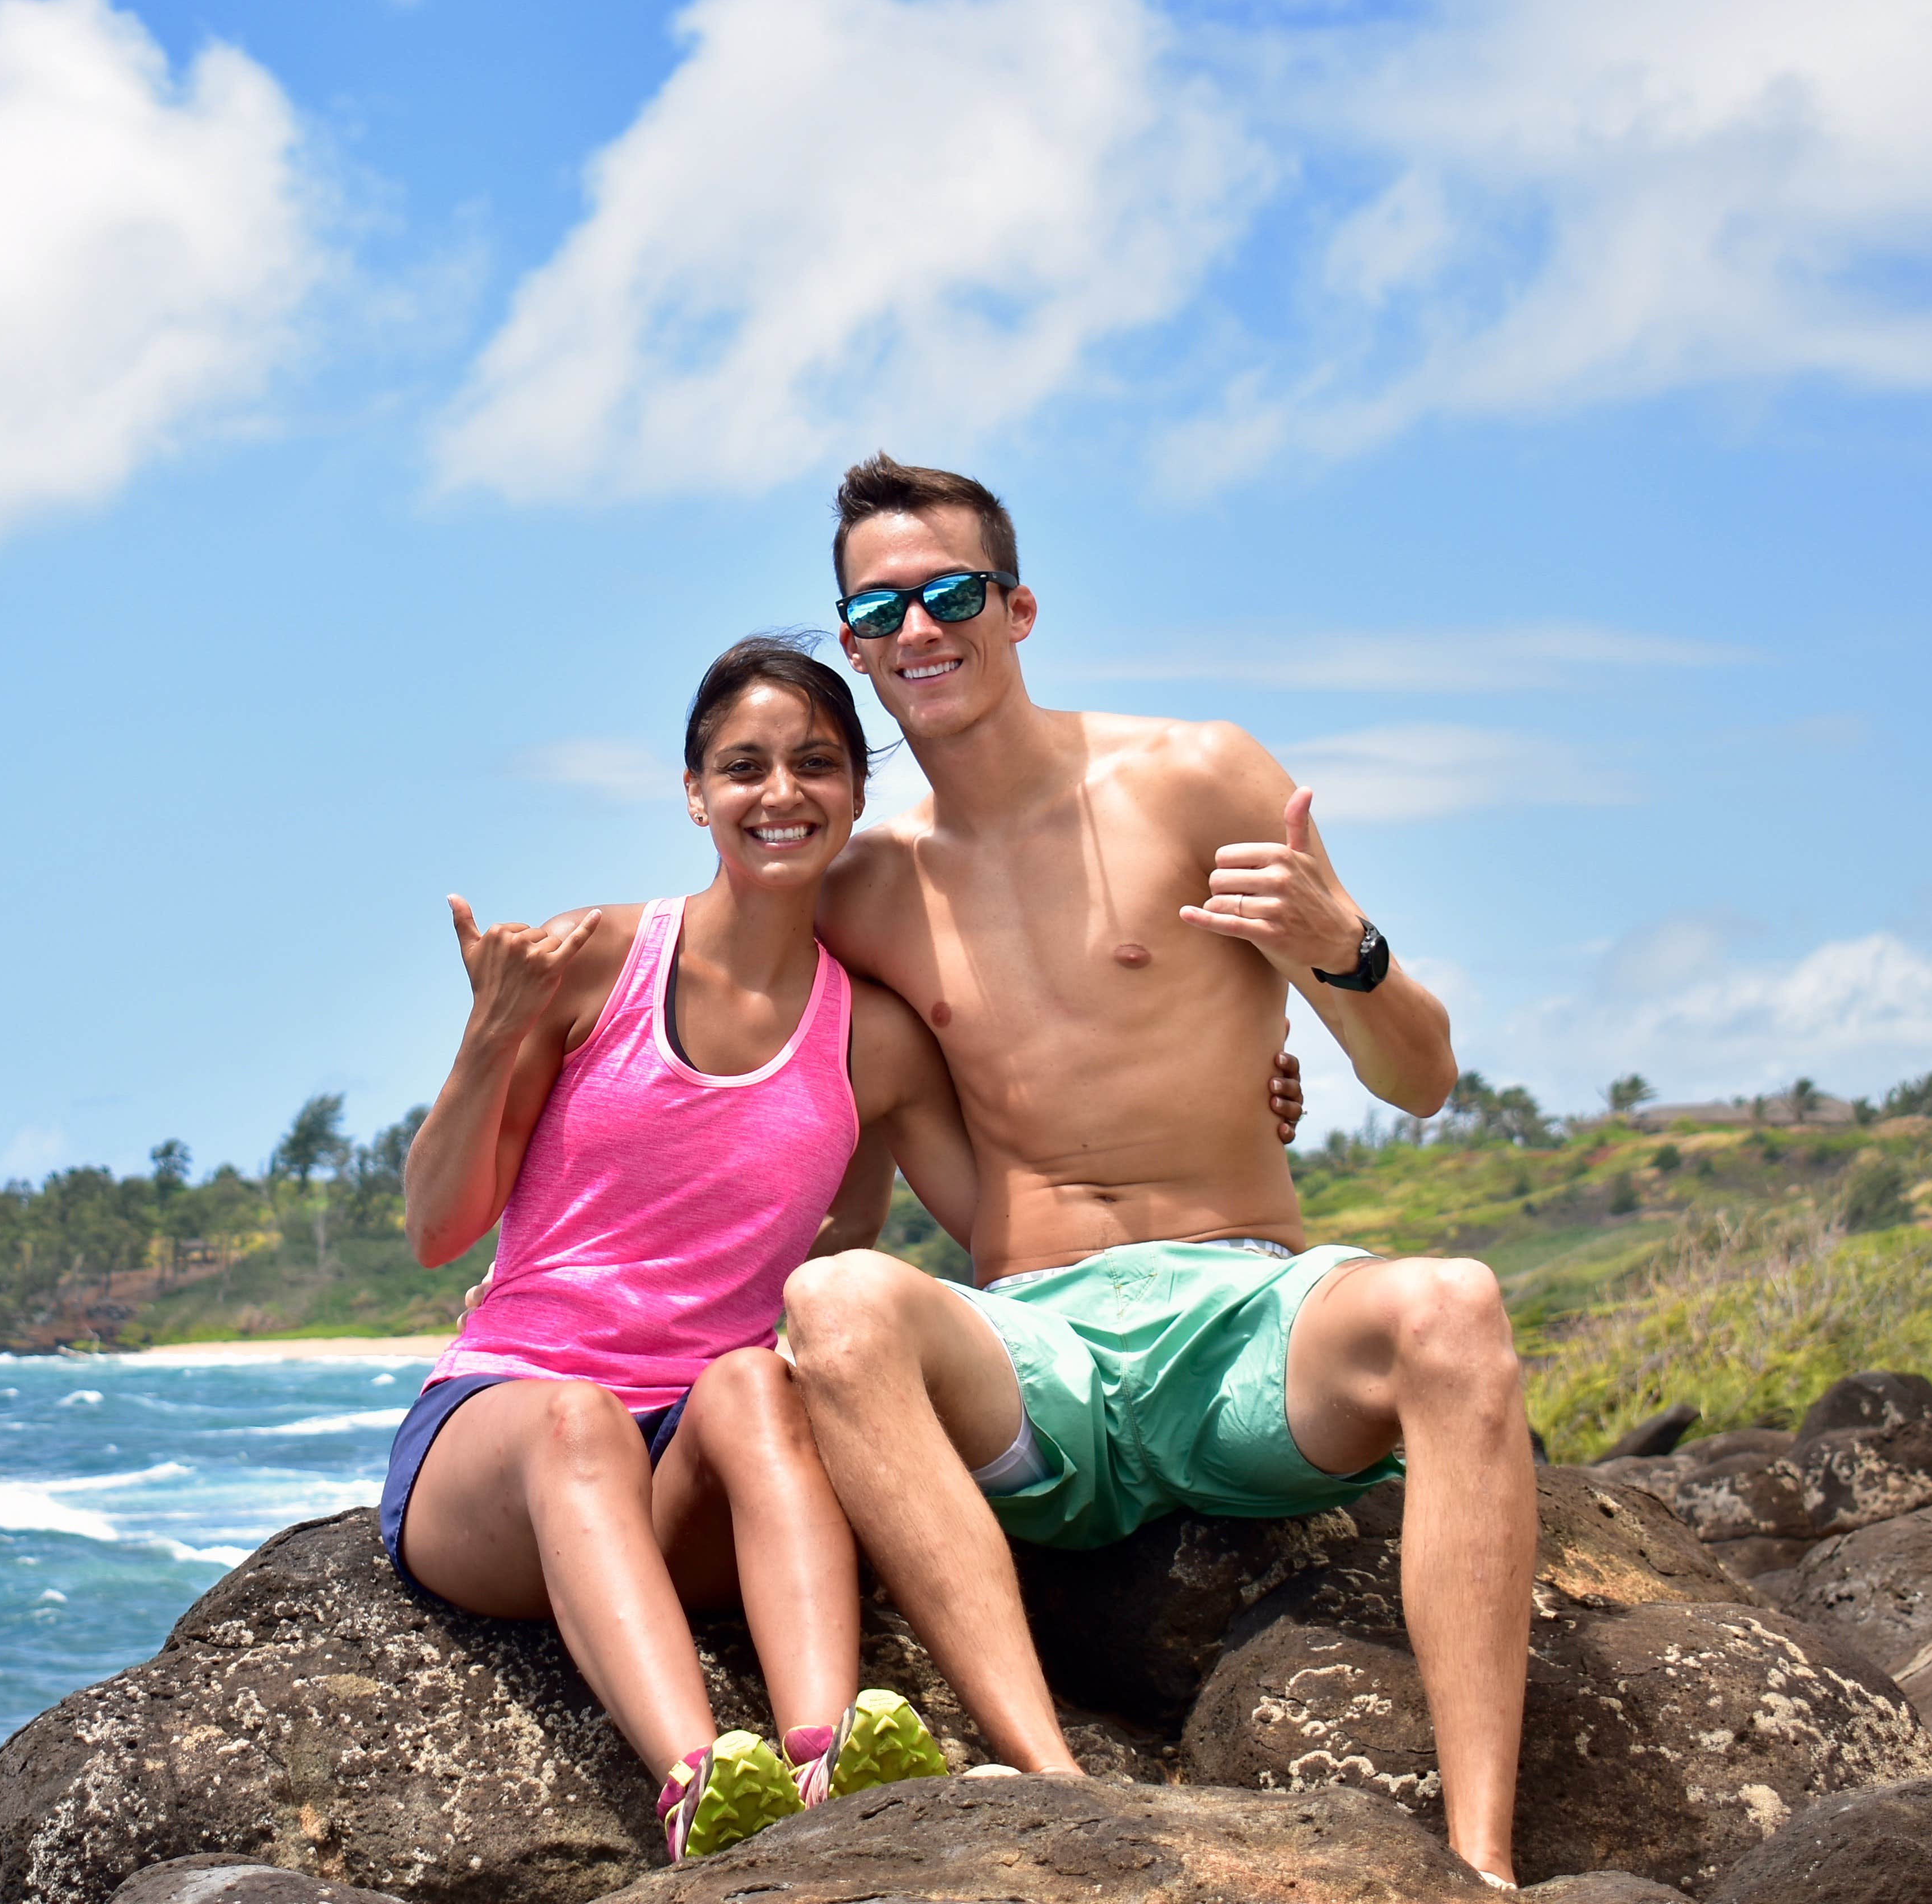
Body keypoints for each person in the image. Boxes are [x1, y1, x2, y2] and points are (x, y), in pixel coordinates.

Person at [384, 635, 1302, 1863]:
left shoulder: (869, 1034)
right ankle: (699, 1779)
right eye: (745, 765)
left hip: (686, 1480)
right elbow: (439, 1227)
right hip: (501, 1450)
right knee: (577, 1420)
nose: (782, 792)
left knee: (762, 1381)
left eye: (816, 762)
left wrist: (1218, 1108)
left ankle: (822, 1770)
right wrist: (490, 1038)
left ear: (857, 794)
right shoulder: (591, 961)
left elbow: (1014, 1228)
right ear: (696, 793)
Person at [779, 455, 1534, 1889]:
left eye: (951, 593)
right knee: (842, 1301)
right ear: (854, 641)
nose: (919, 629)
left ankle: (1478, 1863)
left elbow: (1422, 1077)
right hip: (1038, 1351)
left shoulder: (1195, 775)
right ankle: (1060, 1792)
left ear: (1019, 607)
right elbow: (754, 1071)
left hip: (1246, 1316)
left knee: (1454, 1306)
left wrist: (1341, 952)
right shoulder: (862, 888)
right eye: (879, 609)